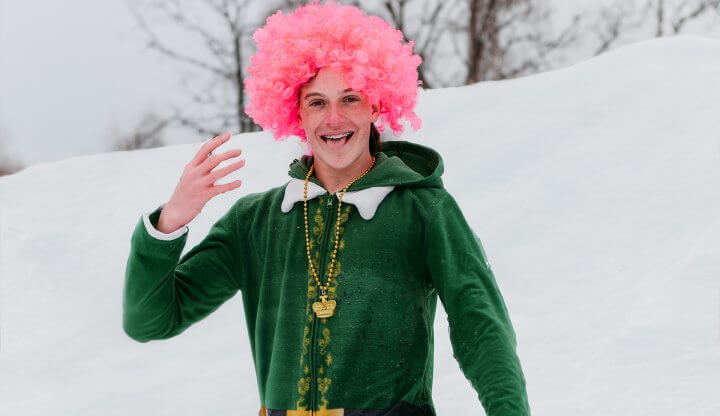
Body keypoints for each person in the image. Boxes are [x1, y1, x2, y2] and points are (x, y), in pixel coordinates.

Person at [122, 1, 530, 415]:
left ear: (376, 106)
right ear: (295, 112)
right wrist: (169, 223)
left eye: (350, 98)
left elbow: (482, 330)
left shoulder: (424, 211)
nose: (334, 118)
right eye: (317, 102)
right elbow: (149, 320)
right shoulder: (256, 222)